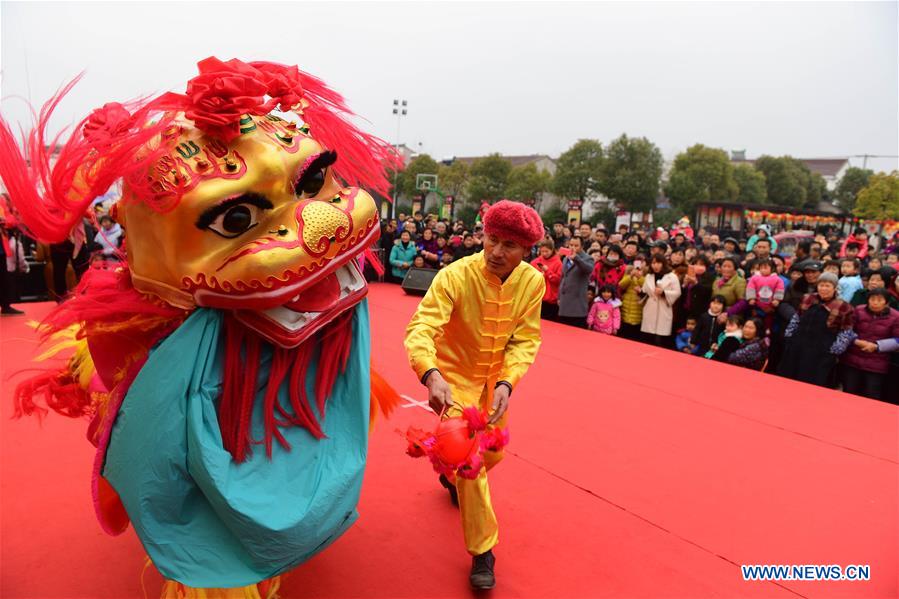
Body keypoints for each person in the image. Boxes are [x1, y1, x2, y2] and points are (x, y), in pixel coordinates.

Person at [404, 200, 545, 590]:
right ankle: (483, 549)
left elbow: (526, 339)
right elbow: (421, 328)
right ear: (483, 234)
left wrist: (507, 382)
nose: (497, 252)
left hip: (495, 385)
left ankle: (449, 474)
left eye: (509, 246)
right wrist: (431, 375)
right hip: (454, 382)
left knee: (494, 454)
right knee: (474, 465)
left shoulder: (533, 283)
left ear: (526, 251)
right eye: (492, 239)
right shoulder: (454, 276)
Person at [779, 272, 855, 387]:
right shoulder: (808, 298)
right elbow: (796, 318)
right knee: (788, 378)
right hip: (798, 345)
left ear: (835, 288)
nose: (823, 288)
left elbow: (846, 331)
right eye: (821, 285)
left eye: (827, 286)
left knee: (812, 383)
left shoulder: (843, 306)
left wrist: (835, 350)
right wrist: (789, 336)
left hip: (821, 351)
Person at [840, 289, 899, 400]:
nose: (875, 302)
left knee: (871, 394)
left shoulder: (896, 316)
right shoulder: (858, 310)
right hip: (852, 359)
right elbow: (846, 329)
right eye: (872, 299)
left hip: (877, 363)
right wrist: (855, 341)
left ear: (887, 303)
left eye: (879, 300)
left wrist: (877, 346)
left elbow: (897, 340)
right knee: (848, 392)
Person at [640, 255, 681, 347]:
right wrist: (640, 291)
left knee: (662, 337)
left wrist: (663, 292)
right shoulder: (649, 276)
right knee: (647, 337)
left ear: (663, 264)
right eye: (653, 263)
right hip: (650, 308)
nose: (655, 266)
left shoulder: (672, 276)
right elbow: (645, 291)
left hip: (664, 307)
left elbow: (677, 292)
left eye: (658, 263)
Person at [557, 236, 594, 328]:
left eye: (576, 245)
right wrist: (559, 296)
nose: (573, 247)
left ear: (582, 247)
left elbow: (588, 269)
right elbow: (563, 278)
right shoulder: (566, 258)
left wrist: (576, 258)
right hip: (564, 302)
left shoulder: (587, 258)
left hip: (577, 305)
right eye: (571, 245)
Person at [531, 239, 563, 321]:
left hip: (550, 299)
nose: (544, 254)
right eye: (542, 251)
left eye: (547, 251)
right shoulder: (536, 261)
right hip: (537, 298)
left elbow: (558, 280)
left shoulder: (558, 263)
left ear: (552, 250)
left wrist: (548, 271)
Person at [618, 258, 646, 340]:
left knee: (634, 336)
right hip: (626, 309)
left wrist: (639, 277)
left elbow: (647, 287)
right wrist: (631, 275)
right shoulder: (628, 274)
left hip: (638, 310)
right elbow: (621, 285)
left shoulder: (646, 276)